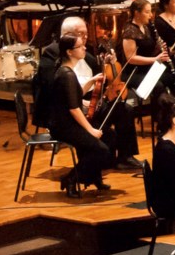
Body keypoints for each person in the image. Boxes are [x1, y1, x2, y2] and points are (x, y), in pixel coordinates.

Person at [35, 16, 142, 170]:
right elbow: (51, 88)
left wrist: (108, 63)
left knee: (124, 109)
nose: (85, 39)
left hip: (89, 105)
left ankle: (125, 156)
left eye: (86, 34)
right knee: (106, 131)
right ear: (67, 35)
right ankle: (95, 162)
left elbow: (100, 75)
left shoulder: (84, 50)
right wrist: (78, 100)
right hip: (68, 112)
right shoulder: (52, 53)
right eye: (80, 35)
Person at [48, 35, 112, 197]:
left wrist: (91, 81)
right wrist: (90, 130)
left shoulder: (67, 71)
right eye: (80, 46)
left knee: (110, 136)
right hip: (63, 126)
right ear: (70, 52)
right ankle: (71, 179)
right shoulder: (66, 75)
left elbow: (75, 94)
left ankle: (93, 177)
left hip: (68, 123)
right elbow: (74, 108)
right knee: (101, 150)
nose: (84, 48)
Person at [120, 0, 173, 94]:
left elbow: (147, 49)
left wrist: (159, 48)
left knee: (170, 77)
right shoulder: (129, 31)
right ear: (137, 13)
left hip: (147, 67)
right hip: (133, 72)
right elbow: (131, 58)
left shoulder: (146, 27)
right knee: (158, 85)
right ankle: (157, 107)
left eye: (150, 12)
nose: (151, 15)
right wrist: (155, 59)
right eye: (147, 12)